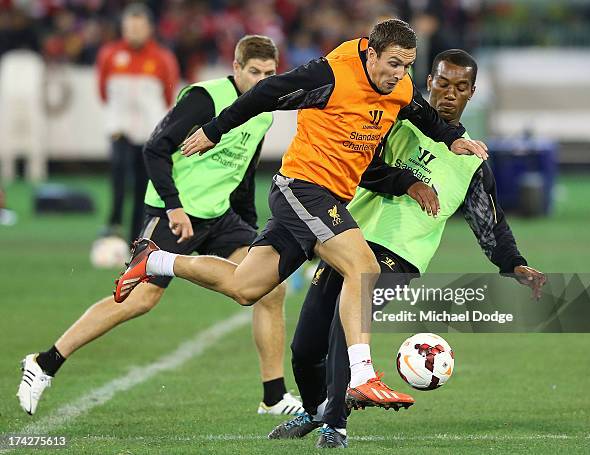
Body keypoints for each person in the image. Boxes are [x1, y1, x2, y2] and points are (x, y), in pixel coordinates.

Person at [115, 19, 489, 412]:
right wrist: (214, 129)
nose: (399, 74)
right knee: (363, 266)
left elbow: (420, 114)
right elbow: (264, 94)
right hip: (303, 186)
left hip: (325, 198)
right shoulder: (330, 74)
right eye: (393, 63)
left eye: (407, 65)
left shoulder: (400, 85)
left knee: (246, 286)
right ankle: (363, 376)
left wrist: (454, 139)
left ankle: (154, 259)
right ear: (371, 53)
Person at [269, 49, 547, 448]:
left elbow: (490, 224)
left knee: (342, 330)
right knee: (304, 348)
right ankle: (315, 409)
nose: (450, 93)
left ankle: (336, 425)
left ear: (472, 92)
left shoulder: (472, 160)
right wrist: (408, 182)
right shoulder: (393, 119)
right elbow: (358, 166)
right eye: (443, 83)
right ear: (428, 82)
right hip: (347, 240)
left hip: (398, 257)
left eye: (461, 87)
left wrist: (515, 264)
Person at [17, 35, 303, 417]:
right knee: (138, 301)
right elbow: (154, 148)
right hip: (171, 213)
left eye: (270, 73)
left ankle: (273, 396)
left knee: (271, 288)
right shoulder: (205, 98)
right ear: (236, 68)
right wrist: (174, 206)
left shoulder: (264, 111)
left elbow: (244, 172)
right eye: (255, 72)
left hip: (219, 217)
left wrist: (248, 228)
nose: (263, 81)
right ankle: (44, 363)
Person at [96, 3, 179, 242]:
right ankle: (114, 222)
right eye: (129, 27)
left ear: (149, 29)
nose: (133, 32)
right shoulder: (110, 55)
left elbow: (168, 95)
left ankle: (136, 235)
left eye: (138, 27)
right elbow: (102, 91)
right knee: (119, 171)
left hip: (148, 132)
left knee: (144, 183)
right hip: (119, 128)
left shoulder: (162, 58)